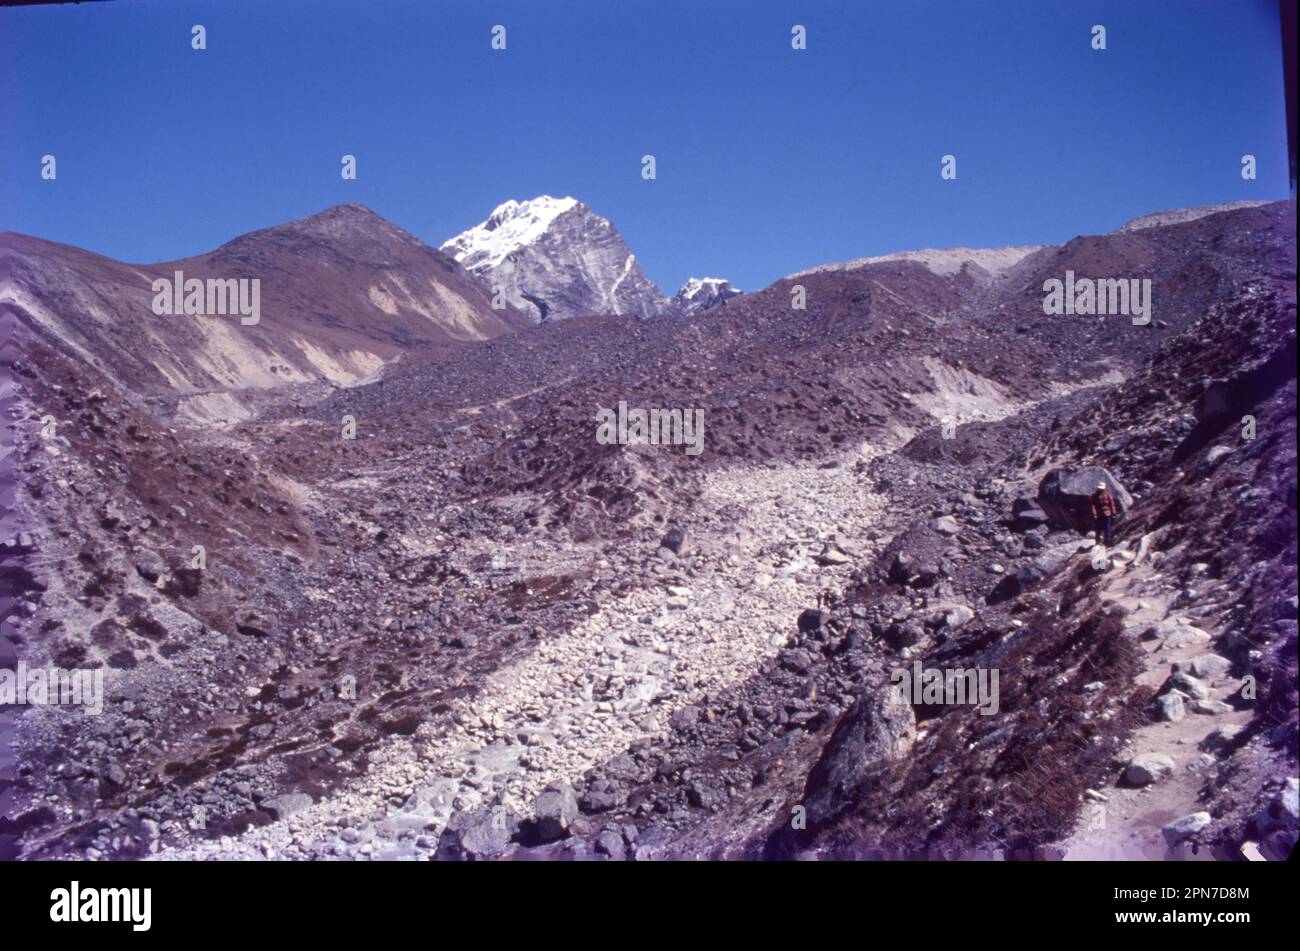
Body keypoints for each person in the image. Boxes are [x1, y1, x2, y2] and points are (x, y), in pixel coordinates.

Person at [1090, 481, 1119, 546]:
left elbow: (1112, 504)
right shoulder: (1094, 496)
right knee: (1098, 529)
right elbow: (1093, 506)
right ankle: (1098, 542)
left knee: (1108, 528)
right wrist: (1094, 514)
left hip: (1107, 514)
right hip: (1099, 515)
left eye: (1102, 489)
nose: (1101, 490)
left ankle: (1108, 542)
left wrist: (1113, 513)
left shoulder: (1108, 495)